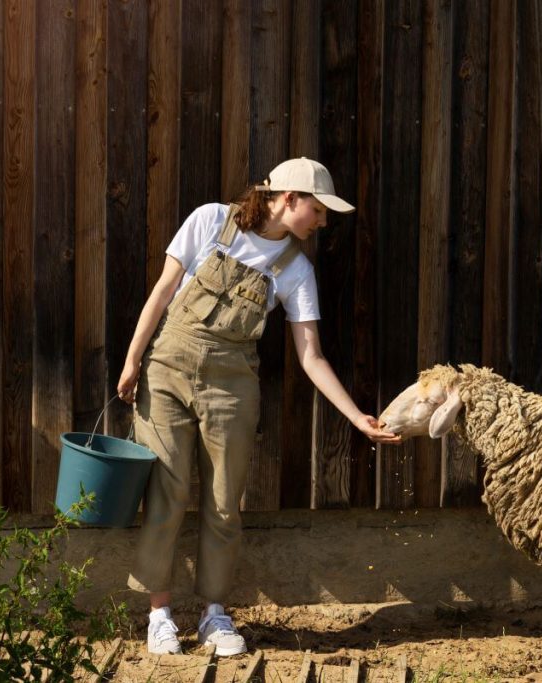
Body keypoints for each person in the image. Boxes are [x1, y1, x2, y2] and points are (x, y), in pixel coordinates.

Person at [116, 157, 401, 656]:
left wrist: (356, 416)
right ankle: (159, 614)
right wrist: (133, 359)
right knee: (167, 490)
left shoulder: (296, 269)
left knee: (225, 502)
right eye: (318, 210)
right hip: (166, 372)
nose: (323, 222)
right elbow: (163, 291)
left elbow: (311, 356)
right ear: (287, 199)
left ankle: (214, 615)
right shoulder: (209, 220)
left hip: (233, 387)